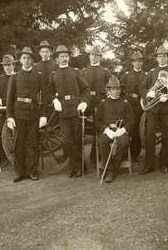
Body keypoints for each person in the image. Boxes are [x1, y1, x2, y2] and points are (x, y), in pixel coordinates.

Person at [6, 47, 48, 182]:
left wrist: (43, 115)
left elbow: (44, 97)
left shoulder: (39, 76)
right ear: (20, 60)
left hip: (34, 113)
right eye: (24, 58)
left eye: (29, 58)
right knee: (19, 144)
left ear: (32, 60)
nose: (26, 60)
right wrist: (9, 116)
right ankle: (20, 172)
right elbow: (9, 98)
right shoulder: (15, 76)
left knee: (33, 143)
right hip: (19, 113)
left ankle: (32, 171)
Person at [48, 45, 90, 178]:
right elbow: (49, 92)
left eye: (66, 56)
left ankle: (77, 167)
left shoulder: (76, 72)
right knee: (67, 140)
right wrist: (55, 100)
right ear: (57, 59)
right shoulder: (54, 74)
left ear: (69, 57)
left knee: (77, 139)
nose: (64, 58)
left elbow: (86, 89)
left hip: (76, 108)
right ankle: (78, 165)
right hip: (63, 110)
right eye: (62, 56)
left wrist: (84, 102)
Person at [139, 46, 168, 174]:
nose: (161, 58)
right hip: (153, 109)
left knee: (167, 136)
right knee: (149, 136)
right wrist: (148, 94)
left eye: (164, 56)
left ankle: (164, 163)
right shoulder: (152, 72)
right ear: (157, 58)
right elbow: (141, 86)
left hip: (167, 109)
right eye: (159, 56)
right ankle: (149, 164)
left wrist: (167, 97)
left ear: (167, 57)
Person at [96, 76, 134, 183]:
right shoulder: (103, 103)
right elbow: (98, 120)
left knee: (124, 142)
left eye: (118, 89)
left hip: (121, 130)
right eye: (113, 89)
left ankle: (112, 169)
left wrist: (122, 130)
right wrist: (106, 129)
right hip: (108, 130)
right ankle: (110, 170)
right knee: (102, 142)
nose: (116, 91)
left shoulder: (125, 103)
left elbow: (132, 120)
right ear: (109, 90)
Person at [81, 45, 111, 165]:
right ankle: (79, 159)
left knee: (100, 129)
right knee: (80, 126)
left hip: (100, 103)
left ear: (100, 57)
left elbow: (111, 87)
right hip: (87, 103)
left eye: (97, 55)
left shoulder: (105, 71)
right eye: (92, 55)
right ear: (89, 56)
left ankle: (97, 157)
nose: (94, 57)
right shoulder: (83, 71)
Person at [120, 51, 146, 162]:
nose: (137, 64)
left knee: (138, 131)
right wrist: (127, 96)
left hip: (141, 107)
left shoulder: (146, 75)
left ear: (142, 63)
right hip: (128, 106)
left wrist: (141, 96)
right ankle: (125, 154)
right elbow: (119, 87)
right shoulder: (126, 75)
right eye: (135, 61)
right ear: (132, 63)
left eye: (139, 61)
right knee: (127, 129)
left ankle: (135, 154)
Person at [0, 54, 16, 167]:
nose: (7, 67)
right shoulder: (1, 79)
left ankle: (18, 156)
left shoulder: (17, 77)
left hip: (16, 111)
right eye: (5, 65)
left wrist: (2, 101)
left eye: (9, 65)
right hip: (3, 112)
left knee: (18, 135)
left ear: (14, 65)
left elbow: (17, 97)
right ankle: (3, 158)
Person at [34, 40, 57, 108]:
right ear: (39, 53)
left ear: (50, 52)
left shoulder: (56, 66)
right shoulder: (35, 66)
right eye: (43, 52)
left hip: (53, 98)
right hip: (40, 98)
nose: (45, 54)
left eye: (47, 52)